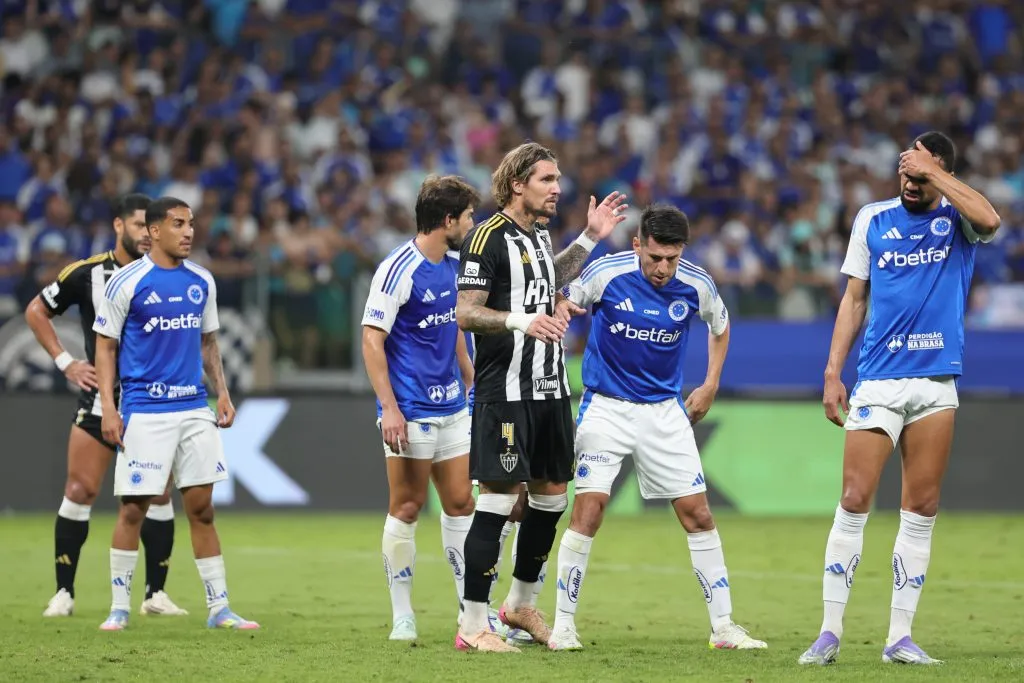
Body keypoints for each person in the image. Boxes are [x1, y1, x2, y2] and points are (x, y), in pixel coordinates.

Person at [799, 131, 1000, 666]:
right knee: (854, 497)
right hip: (880, 380)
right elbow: (854, 298)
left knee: (922, 508)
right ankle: (829, 631)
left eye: (920, 175)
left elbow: (991, 221)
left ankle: (899, 639)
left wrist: (937, 174)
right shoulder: (873, 219)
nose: (909, 183)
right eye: (905, 173)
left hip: (936, 382)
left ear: (940, 174)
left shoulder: (958, 217)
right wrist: (832, 372)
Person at [547, 204, 768, 651]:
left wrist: (710, 384)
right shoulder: (607, 273)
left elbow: (720, 328)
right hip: (606, 407)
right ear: (637, 246)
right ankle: (564, 625)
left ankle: (723, 628)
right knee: (588, 512)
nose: (663, 268)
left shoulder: (697, 284)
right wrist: (566, 306)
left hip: (665, 412)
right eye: (654, 258)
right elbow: (564, 295)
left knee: (698, 515)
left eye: (671, 258)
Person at [454, 141, 628, 653]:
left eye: (557, 180)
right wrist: (520, 319)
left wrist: (591, 238)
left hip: (550, 387)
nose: (558, 189)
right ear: (517, 185)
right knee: (498, 501)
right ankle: (472, 626)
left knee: (551, 499)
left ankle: (520, 605)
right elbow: (466, 312)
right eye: (547, 180)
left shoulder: (538, 235)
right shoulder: (485, 236)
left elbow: (546, 279)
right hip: (504, 391)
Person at [92, 196, 259, 631]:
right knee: (133, 509)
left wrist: (221, 393)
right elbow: (105, 347)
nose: (188, 232)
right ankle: (119, 607)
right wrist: (110, 409)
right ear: (153, 231)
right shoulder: (126, 282)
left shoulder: (202, 281)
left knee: (202, 509)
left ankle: (219, 608)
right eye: (179, 224)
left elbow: (208, 343)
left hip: (193, 408)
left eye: (191, 224)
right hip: (145, 412)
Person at [25, 193, 187, 618]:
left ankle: (156, 594)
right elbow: (37, 311)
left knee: (158, 494)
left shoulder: (169, 273)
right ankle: (64, 592)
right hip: (101, 401)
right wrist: (66, 362)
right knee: (80, 490)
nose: (147, 236)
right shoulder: (87, 274)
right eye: (139, 226)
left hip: (151, 403)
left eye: (153, 228)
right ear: (119, 226)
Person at [361, 175, 479, 641]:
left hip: (453, 406)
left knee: (460, 503)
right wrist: (389, 408)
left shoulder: (454, 266)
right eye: (468, 216)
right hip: (409, 409)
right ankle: (403, 614)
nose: (472, 223)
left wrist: (468, 375)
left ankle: (470, 612)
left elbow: (452, 328)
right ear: (447, 220)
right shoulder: (398, 269)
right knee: (408, 506)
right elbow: (372, 340)